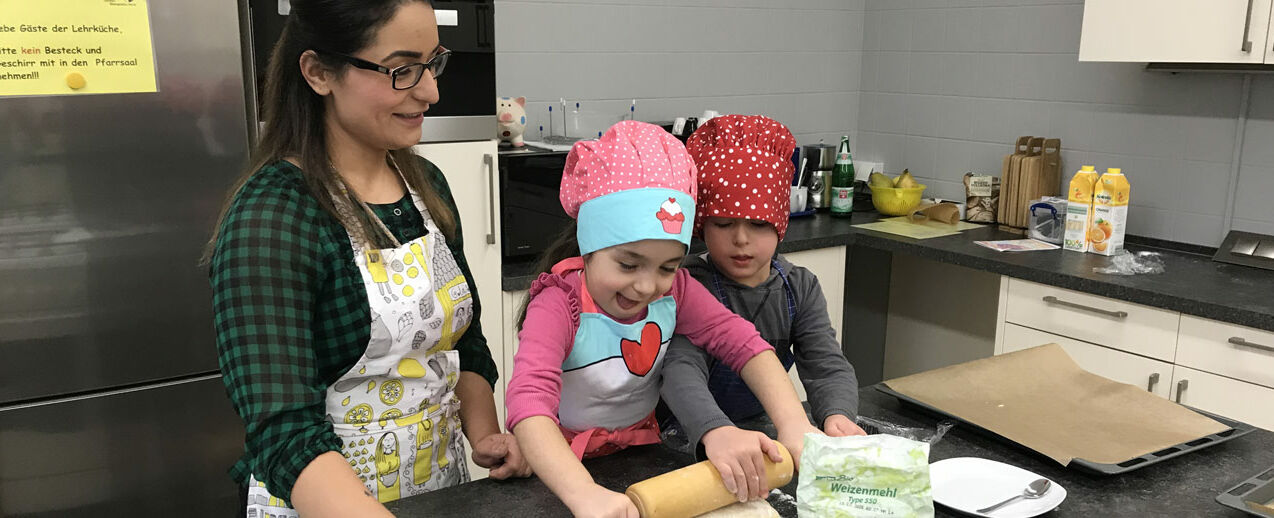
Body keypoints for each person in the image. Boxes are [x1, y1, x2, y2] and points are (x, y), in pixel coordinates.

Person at [205, 1, 527, 516]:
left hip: (442, 492)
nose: (431, 91)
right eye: (401, 70)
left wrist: (486, 436)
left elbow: (464, 341)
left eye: (433, 62)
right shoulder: (273, 216)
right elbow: (284, 431)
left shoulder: (426, 189)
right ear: (318, 72)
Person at [505, 120, 820, 518]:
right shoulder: (558, 303)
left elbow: (743, 344)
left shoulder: (677, 290)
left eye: (667, 267)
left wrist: (793, 423)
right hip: (562, 466)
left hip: (641, 451)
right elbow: (529, 402)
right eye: (628, 264)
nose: (646, 286)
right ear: (589, 248)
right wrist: (584, 493)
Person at [660, 115, 866, 461]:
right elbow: (681, 369)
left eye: (758, 224)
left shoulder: (799, 287)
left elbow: (826, 363)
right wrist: (716, 430)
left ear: (780, 224)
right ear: (701, 224)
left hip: (757, 430)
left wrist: (837, 415)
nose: (740, 239)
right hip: (684, 435)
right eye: (723, 223)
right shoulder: (689, 283)